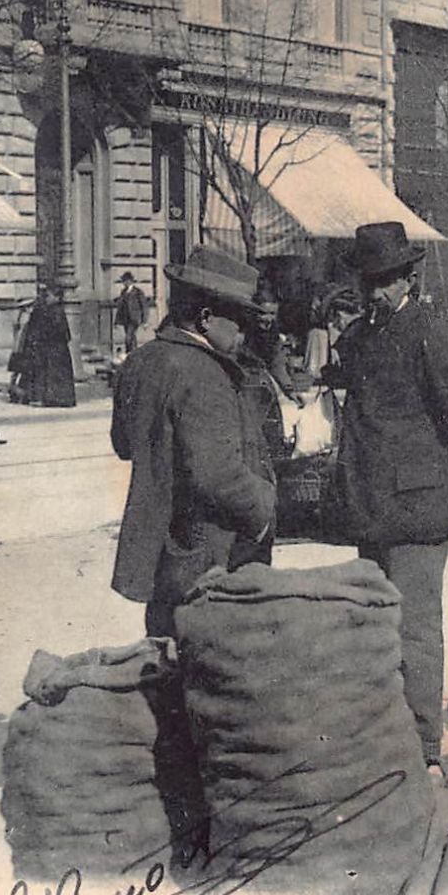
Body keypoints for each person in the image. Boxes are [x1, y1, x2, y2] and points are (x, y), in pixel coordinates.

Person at [326, 222, 448, 783]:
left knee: (416, 629)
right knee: (377, 623)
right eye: (367, 282)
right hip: (371, 502)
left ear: (407, 278)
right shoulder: (365, 334)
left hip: (418, 508)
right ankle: (385, 736)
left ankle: (423, 749)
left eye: (384, 281)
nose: (374, 292)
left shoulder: (429, 333)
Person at [109, 247, 276, 637]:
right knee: (211, 671)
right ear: (205, 318)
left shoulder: (141, 360)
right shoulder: (205, 373)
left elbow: (123, 444)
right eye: (238, 321)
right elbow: (217, 475)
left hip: (161, 552)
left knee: (166, 660)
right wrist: (264, 508)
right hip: (210, 556)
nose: (243, 334)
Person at [10, 286, 76, 407]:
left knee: (53, 375)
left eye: (49, 296)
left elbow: (60, 331)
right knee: (48, 374)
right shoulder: (50, 310)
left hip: (56, 349)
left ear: (57, 297)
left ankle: (54, 399)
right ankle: (51, 399)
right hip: (53, 349)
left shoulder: (56, 311)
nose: (47, 298)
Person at [114, 271, 149, 354]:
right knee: (132, 337)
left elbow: (144, 306)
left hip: (135, 319)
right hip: (125, 319)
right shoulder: (123, 292)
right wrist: (116, 321)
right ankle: (134, 354)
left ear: (129, 281)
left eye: (124, 281)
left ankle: (128, 353)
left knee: (128, 338)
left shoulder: (138, 292)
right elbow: (120, 307)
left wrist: (145, 321)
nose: (123, 283)